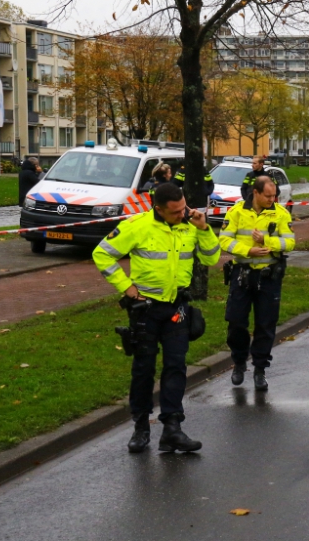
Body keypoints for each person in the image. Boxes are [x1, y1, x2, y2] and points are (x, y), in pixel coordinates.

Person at [92, 183, 221, 453]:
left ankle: (172, 428)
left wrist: (204, 228)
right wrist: (127, 288)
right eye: (175, 212)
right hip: (145, 309)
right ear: (158, 208)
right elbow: (102, 253)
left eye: (183, 207)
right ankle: (141, 427)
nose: (181, 214)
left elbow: (211, 259)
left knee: (176, 367)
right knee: (144, 369)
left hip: (176, 308)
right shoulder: (137, 226)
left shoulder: (191, 224)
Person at [219, 177, 295, 391]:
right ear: (256, 193)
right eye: (268, 196)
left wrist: (267, 242)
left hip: (268, 276)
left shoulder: (280, 213)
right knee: (236, 322)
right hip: (242, 274)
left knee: (266, 323)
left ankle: (260, 369)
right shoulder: (237, 212)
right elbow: (224, 239)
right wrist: (247, 250)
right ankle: (239, 362)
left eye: (274, 196)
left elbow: (289, 242)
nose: (272, 199)